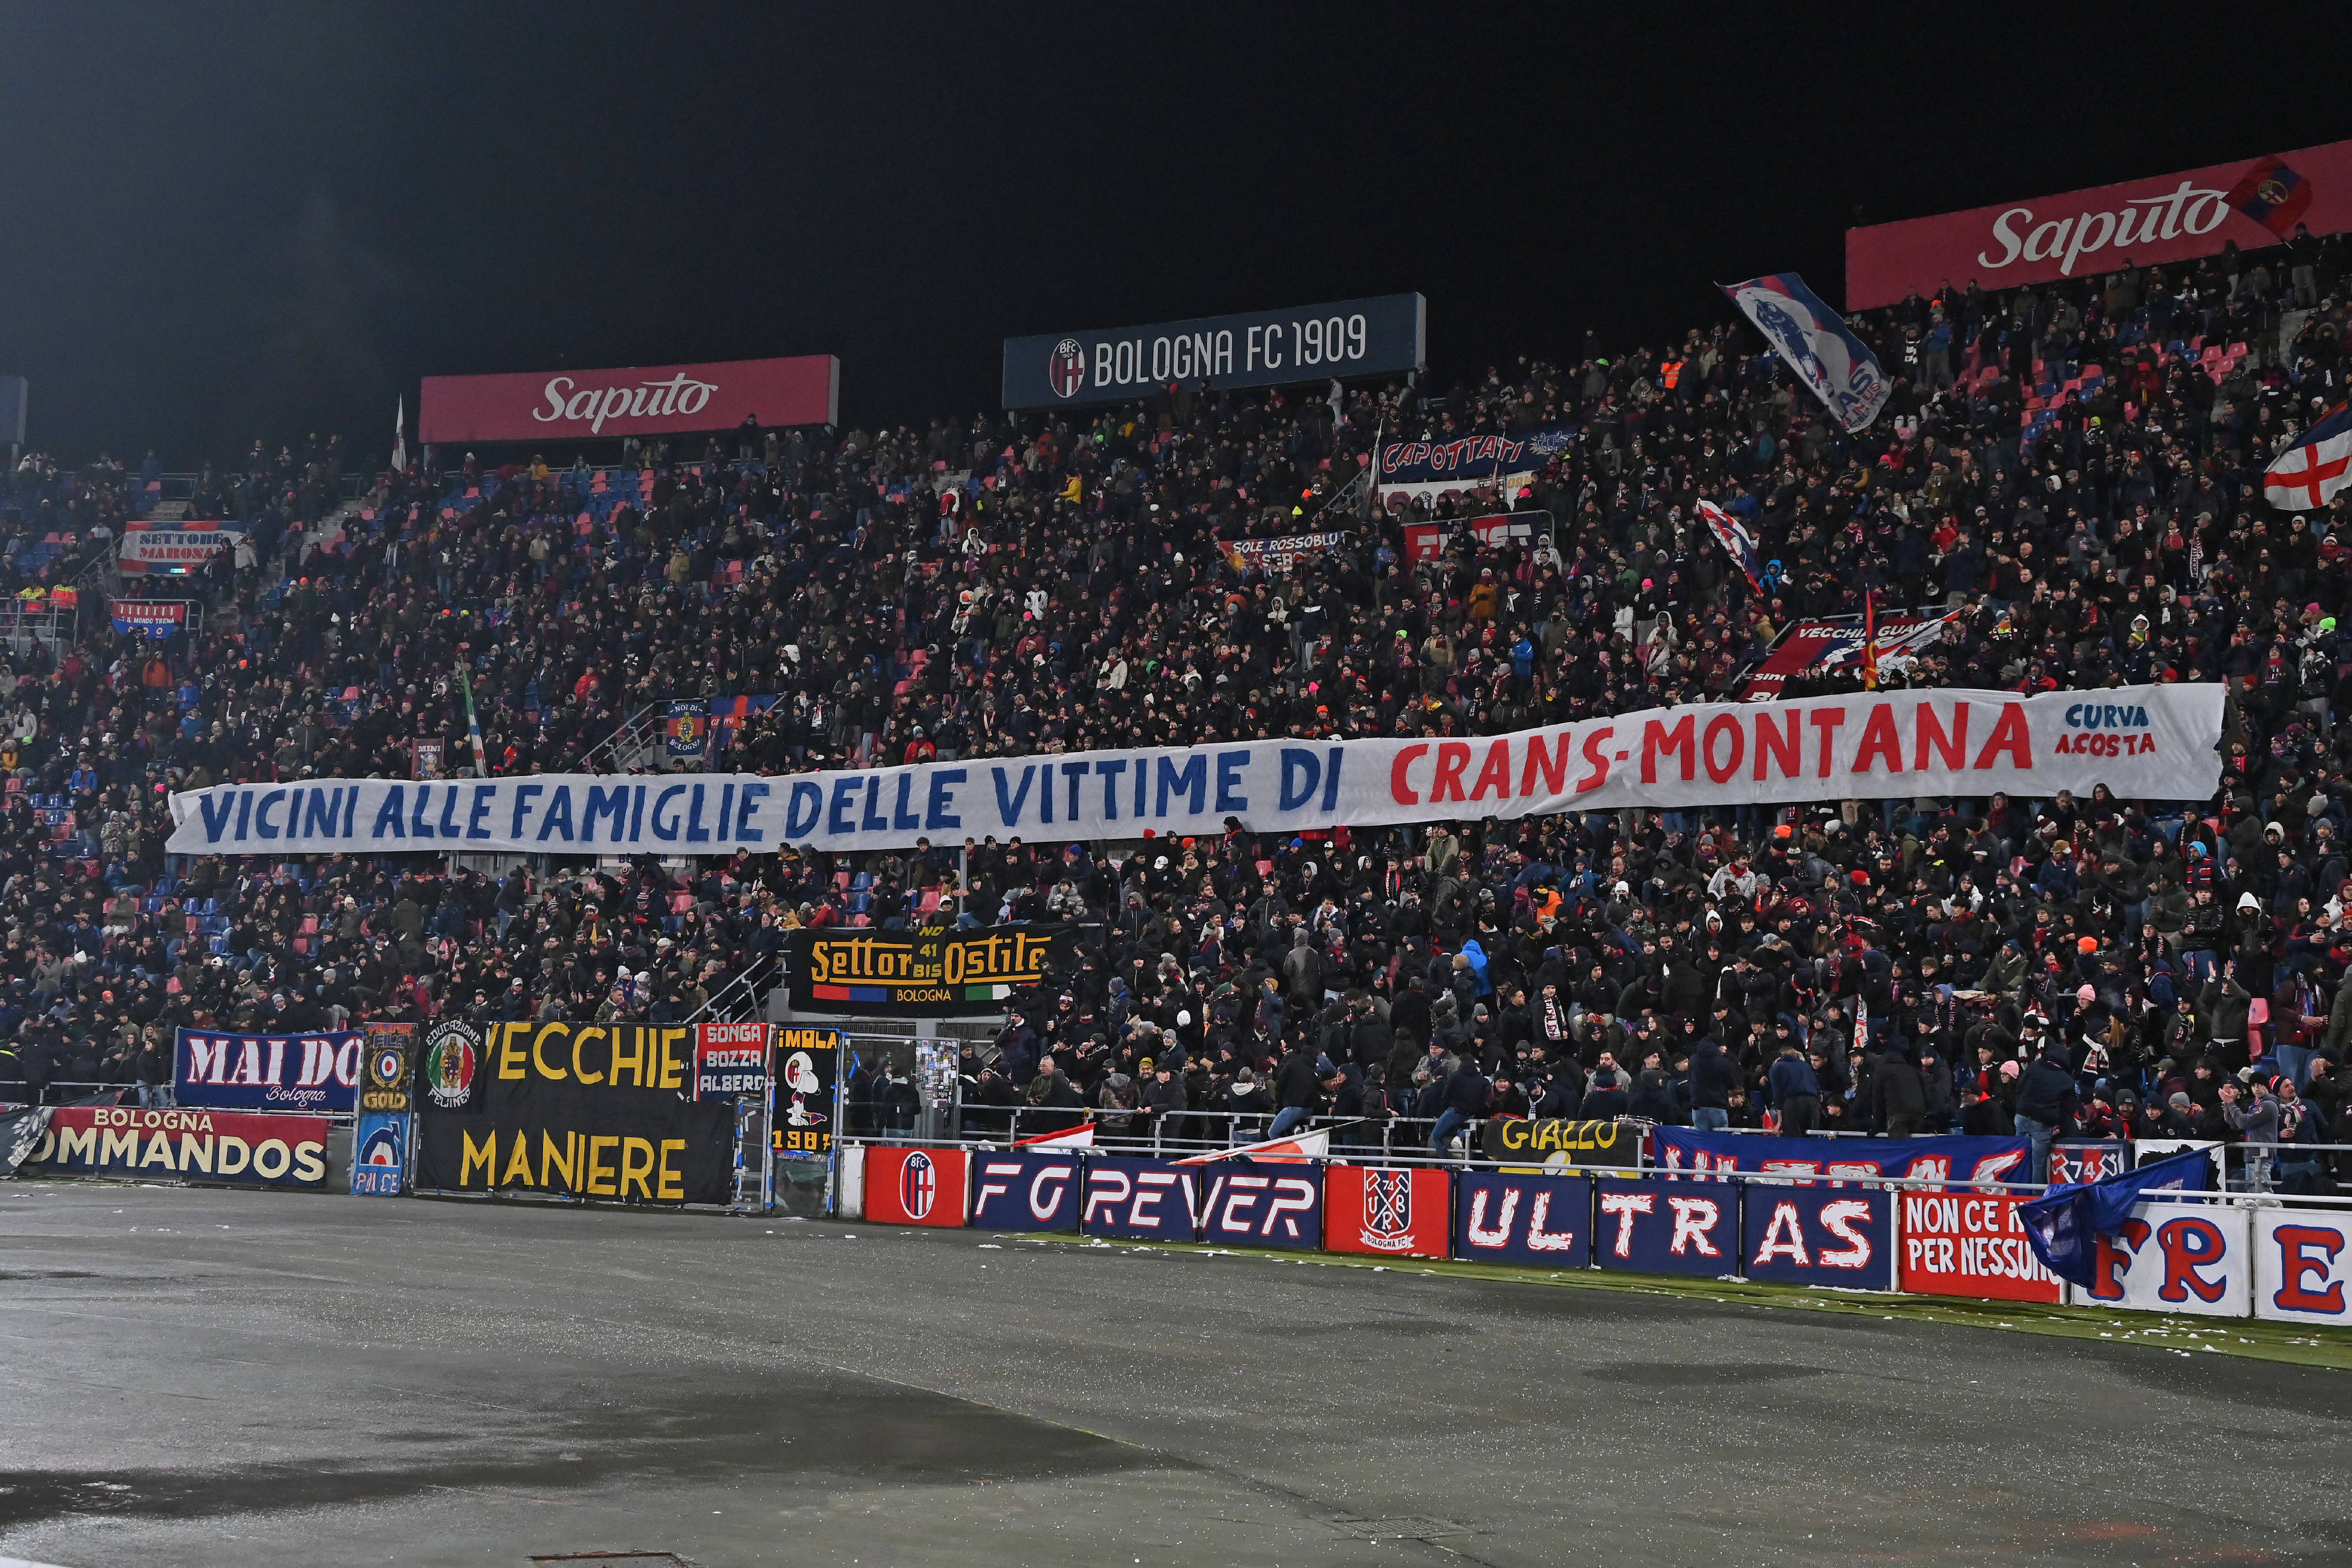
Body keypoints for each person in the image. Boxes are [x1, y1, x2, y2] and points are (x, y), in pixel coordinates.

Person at [2012, 1042, 2080, 1183]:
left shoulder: (2034, 1067)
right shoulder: (2066, 1080)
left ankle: (2017, 1192)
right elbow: (2068, 1109)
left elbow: (2019, 1088)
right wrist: (2058, 1125)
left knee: (2018, 1157)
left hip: (2021, 1116)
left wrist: (2019, 1106)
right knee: (2038, 1163)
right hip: (2041, 1124)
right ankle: (2036, 1197)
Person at [1768, 1039, 1820, 1137]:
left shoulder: (1776, 1068)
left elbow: (1778, 1095)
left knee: (1793, 1140)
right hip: (1813, 1103)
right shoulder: (1806, 1065)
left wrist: (1780, 1121)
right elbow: (1816, 1086)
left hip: (1793, 1104)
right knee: (1812, 1140)